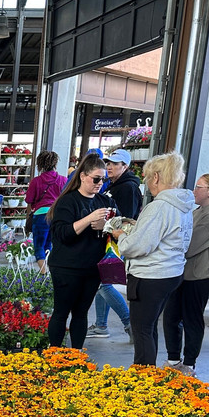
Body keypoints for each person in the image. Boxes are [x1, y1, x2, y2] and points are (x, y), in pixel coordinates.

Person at [111, 152, 193, 366]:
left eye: (147, 177)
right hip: (171, 272)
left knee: (142, 330)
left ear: (156, 177)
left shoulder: (159, 207)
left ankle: (143, 378)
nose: (147, 183)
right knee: (149, 327)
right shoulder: (183, 205)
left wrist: (122, 237)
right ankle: (149, 372)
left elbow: (137, 246)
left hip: (150, 275)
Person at [162, 173, 209, 375]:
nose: (193, 191)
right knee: (172, 316)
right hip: (185, 272)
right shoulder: (202, 210)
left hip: (199, 275)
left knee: (191, 318)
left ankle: (189, 363)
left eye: (198, 187)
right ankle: (173, 359)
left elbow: (188, 246)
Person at [46, 152, 115, 349]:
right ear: (83, 176)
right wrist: (89, 219)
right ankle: (54, 355)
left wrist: (106, 226)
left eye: (103, 179)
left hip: (92, 268)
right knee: (61, 312)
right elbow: (63, 234)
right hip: (66, 267)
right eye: (96, 179)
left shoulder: (105, 201)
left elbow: (119, 228)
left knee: (81, 312)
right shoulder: (68, 201)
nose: (99, 183)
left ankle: (76, 355)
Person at [88, 149, 139, 340]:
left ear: (124, 166)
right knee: (102, 282)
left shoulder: (128, 188)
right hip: (108, 239)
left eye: (114, 163)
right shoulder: (113, 185)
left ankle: (129, 324)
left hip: (116, 241)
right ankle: (101, 325)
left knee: (103, 284)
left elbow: (126, 219)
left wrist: (108, 227)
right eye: (108, 163)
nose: (109, 166)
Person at [24, 150, 66, 273]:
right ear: (55, 163)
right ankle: (50, 272)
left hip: (41, 215)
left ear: (40, 165)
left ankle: (44, 274)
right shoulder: (63, 180)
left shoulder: (36, 181)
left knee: (39, 246)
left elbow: (28, 199)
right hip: (57, 215)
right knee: (50, 246)